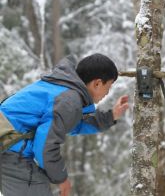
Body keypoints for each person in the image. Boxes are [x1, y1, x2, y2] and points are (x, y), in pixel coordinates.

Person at [0, 53, 129, 196]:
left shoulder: (62, 87)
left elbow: (73, 124)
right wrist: (62, 179)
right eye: (109, 86)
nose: (108, 92)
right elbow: (45, 147)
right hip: (9, 150)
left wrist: (111, 116)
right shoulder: (69, 100)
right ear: (97, 83)